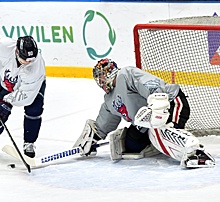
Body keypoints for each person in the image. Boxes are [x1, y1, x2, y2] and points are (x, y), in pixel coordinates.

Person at [73, 58, 215, 168]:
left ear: (110, 72)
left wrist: (156, 107)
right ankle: (157, 142)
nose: (100, 81)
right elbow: (102, 125)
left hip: (171, 103)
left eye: (102, 77)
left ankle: (194, 152)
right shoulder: (109, 100)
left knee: (158, 129)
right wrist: (90, 140)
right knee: (130, 146)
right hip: (147, 121)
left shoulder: (126, 74)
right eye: (98, 79)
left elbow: (154, 87)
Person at [0, 35, 46, 158]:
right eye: (25, 59)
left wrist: (6, 101)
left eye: (31, 59)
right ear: (16, 51)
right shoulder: (3, 46)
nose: (29, 62)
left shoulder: (36, 67)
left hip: (31, 88)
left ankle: (29, 142)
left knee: (34, 110)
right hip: (4, 82)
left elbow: (26, 95)